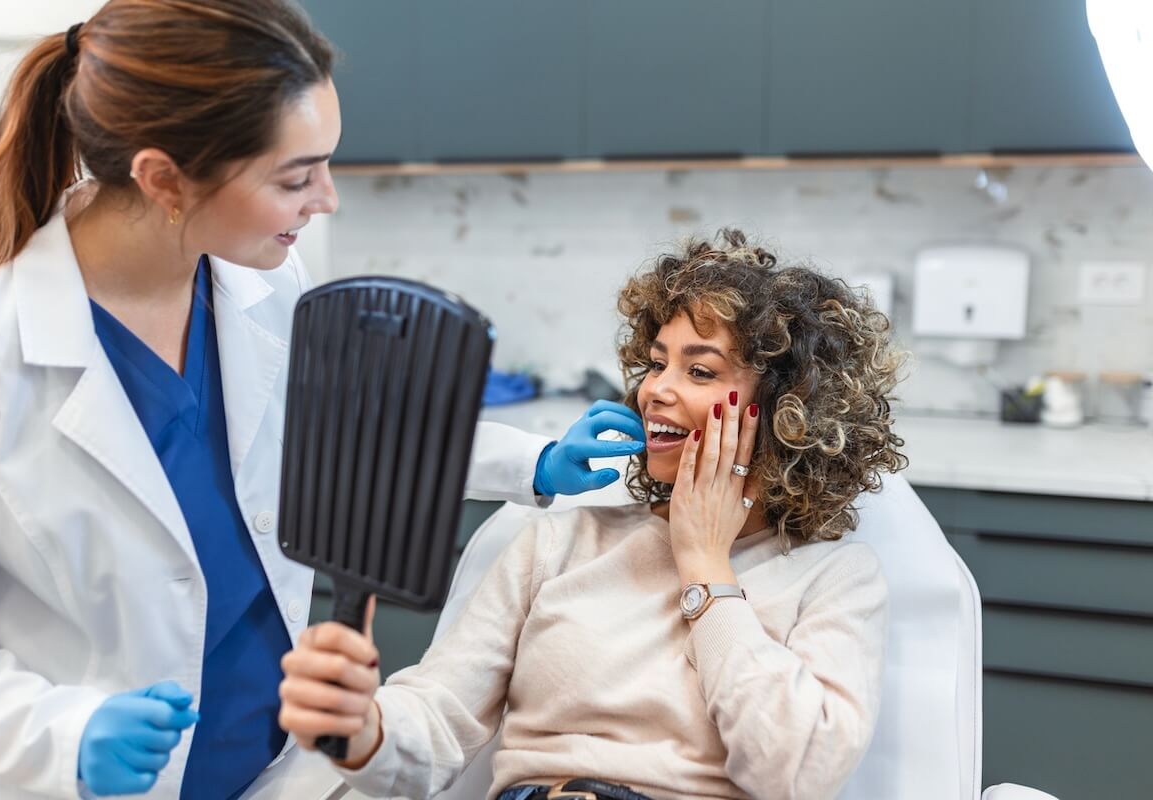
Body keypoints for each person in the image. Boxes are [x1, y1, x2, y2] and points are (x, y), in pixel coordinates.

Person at [0, 2, 641, 798]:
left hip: (274, 769)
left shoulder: (261, 282)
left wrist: (537, 463)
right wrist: (60, 733)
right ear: (163, 178)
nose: (327, 199)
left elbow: (345, 431)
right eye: (295, 176)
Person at [278, 229, 909, 800]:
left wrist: (705, 568)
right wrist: (361, 729)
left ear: (787, 409)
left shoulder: (834, 579)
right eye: (657, 362)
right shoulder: (557, 542)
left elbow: (792, 772)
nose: (654, 390)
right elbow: (437, 721)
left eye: (698, 369)